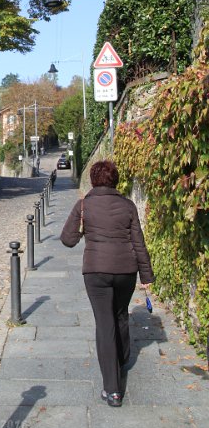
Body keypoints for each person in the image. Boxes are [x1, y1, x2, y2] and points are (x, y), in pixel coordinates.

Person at [60, 159, 154, 408]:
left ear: (92, 180)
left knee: (104, 323)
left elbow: (67, 240)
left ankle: (112, 389)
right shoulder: (128, 206)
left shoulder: (83, 205)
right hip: (126, 270)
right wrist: (146, 277)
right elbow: (139, 243)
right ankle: (122, 361)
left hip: (96, 271)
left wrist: (83, 228)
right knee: (121, 314)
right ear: (116, 180)